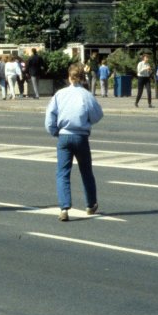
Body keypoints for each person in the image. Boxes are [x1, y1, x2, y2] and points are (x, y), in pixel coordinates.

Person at [45, 63, 104, 221]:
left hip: (63, 136)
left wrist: (55, 132)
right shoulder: (86, 95)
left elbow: (50, 117)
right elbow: (98, 115)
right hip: (81, 136)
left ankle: (64, 208)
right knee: (86, 172)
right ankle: (91, 204)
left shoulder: (60, 94)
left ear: (69, 77)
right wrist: (87, 121)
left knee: (63, 173)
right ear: (82, 77)